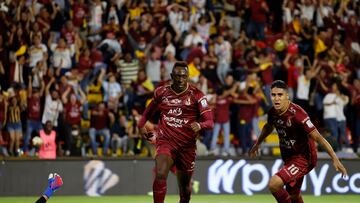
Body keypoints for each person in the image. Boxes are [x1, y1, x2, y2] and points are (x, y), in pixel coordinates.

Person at [249, 80, 347, 203]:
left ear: (287, 96)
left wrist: (334, 158)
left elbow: (318, 138)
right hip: (289, 158)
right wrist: (258, 143)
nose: (276, 98)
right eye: (273, 95)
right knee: (294, 195)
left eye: (280, 95)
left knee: (274, 184)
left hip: (304, 158)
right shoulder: (273, 112)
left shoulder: (298, 114)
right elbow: (269, 126)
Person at [138, 61, 214, 203]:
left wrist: (200, 124)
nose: (180, 79)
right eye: (177, 76)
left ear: (188, 77)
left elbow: (210, 122)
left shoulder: (197, 95)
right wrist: (140, 125)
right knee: (160, 173)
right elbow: (146, 113)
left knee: (184, 189)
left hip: (186, 147)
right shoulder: (161, 92)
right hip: (166, 141)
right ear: (172, 76)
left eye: (184, 76)